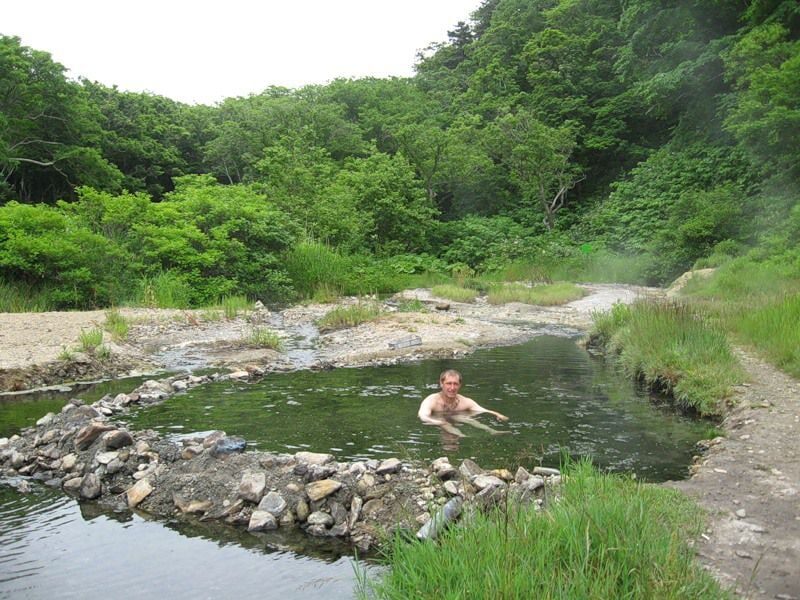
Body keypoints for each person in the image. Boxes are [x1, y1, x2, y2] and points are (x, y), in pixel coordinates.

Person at [418, 369, 508, 437]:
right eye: (448, 383)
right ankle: (462, 437)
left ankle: (492, 431)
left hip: (456, 416)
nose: (452, 388)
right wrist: (438, 422)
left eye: (455, 384)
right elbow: (422, 416)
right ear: (441, 384)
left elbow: (482, 410)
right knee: (444, 422)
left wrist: (498, 415)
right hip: (439, 419)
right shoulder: (431, 400)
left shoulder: (464, 401)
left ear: (460, 385)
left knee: (467, 419)